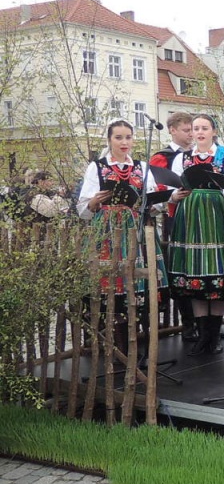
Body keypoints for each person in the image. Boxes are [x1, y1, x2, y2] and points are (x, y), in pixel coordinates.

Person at [77, 119, 168, 355]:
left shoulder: (142, 167)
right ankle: (118, 343)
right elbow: (84, 208)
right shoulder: (96, 167)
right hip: (107, 230)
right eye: (119, 137)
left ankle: (138, 340)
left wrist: (158, 201)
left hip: (136, 228)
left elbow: (153, 203)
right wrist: (96, 201)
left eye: (128, 137)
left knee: (139, 285)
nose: (124, 142)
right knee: (111, 284)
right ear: (109, 140)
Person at [168, 114, 224, 355]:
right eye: (196, 128)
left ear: (213, 131)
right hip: (190, 215)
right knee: (194, 273)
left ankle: (214, 334)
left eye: (205, 128)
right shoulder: (182, 158)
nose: (200, 132)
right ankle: (203, 333)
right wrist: (175, 196)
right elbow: (172, 188)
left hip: (217, 214)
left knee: (216, 272)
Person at [150, 111, 197, 341]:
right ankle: (188, 322)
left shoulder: (201, 154)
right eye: (187, 130)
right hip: (175, 217)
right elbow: (155, 186)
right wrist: (172, 196)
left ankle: (205, 322)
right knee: (179, 269)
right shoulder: (163, 157)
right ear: (173, 130)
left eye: (193, 130)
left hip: (201, 216)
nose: (191, 134)